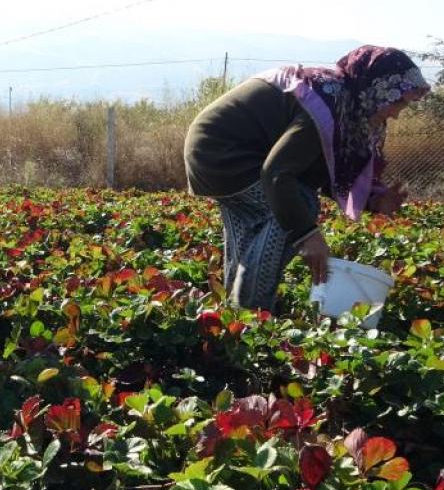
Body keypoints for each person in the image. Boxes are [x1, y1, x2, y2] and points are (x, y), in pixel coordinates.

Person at [182, 45, 429, 312]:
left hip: (211, 153)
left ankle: (233, 315)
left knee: (254, 227)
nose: (396, 113)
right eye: (397, 101)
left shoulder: (346, 103)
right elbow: (277, 173)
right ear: (377, 88)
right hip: (225, 152)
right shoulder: (328, 102)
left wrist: (374, 199)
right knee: (298, 205)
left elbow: (323, 170)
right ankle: (252, 314)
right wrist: (307, 234)